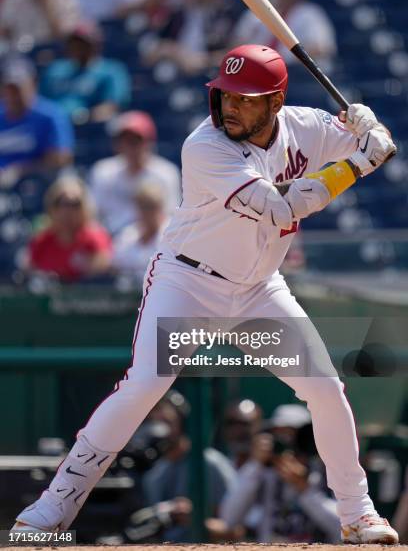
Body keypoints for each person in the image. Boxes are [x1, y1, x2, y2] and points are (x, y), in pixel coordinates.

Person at [12, 44, 399, 544]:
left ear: (275, 102)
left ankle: (358, 513)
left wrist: (370, 130)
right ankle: (50, 512)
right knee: (142, 387)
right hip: (189, 284)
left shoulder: (307, 126)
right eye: (225, 95)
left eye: (246, 99)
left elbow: (371, 144)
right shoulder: (205, 146)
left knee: (325, 388)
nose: (231, 107)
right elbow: (279, 207)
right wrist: (358, 164)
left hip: (257, 292)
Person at [220, 405, 341, 542]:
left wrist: (306, 491)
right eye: (280, 437)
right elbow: (229, 518)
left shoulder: (325, 472)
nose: (288, 445)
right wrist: (255, 464)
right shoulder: (264, 473)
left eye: (293, 436)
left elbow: (344, 527)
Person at [143, 392, 236, 542]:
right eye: (154, 422)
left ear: (183, 423)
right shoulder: (153, 472)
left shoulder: (210, 463)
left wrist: (196, 519)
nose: (160, 430)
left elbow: (236, 530)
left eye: (166, 422)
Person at [89, 111, 181, 235]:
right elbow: (94, 215)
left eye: (135, 141)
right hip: (111, 240)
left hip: (152, 242)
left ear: (149, 143)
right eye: (124, 141)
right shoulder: (103, 171)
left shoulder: (165, 173)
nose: (130, 147)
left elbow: (170, 216)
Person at [232, 0, 337, 73]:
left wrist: (279, 63)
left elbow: (321, 49)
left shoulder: (311, 14)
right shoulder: (256, 14)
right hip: (255, 72)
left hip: (294, 75)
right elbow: (237, 45)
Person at [40, 21, 131, 123]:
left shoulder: (112, 70)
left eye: (83, 44)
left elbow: (112, 106)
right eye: (74, 44)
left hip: (91, 129)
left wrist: (83, 117)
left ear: (96, 45)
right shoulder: (55, 70)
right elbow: (41, 103)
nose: (78, 48)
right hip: (54, 125)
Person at [0, 57, 73, 184]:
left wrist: (20, 170)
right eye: (9, 88)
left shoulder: (51, 114)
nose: (14, 94)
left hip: (40, 183)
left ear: (33, 83)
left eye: (18, 87)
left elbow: (61, 158)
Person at [28, 176, 112, 282]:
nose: (67, 210)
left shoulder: (95, 238)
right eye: (60, 203)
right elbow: (30, 272)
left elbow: (98, 271)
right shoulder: (42, 241)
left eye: (74, 204)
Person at [113, 183, 169, 283]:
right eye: (143, 206)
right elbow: (116, 266)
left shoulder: (171, 235)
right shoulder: (128, 234)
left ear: (161, 207)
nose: (147, 212)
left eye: (151, 206)